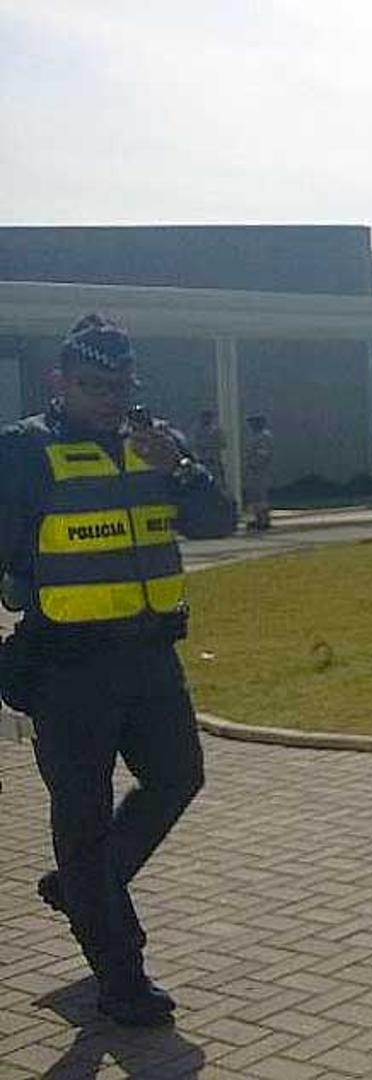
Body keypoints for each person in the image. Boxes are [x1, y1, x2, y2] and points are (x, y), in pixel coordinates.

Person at [0, 314, 236, 1027]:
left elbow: (218, 521)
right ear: (59, 383)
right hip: (67, 668)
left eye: (120, 385)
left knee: (178, 777)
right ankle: (121, 973)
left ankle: (84, 890)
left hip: (151, 658)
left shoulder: (157, 444)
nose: (108, 398)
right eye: (93, 385)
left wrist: (182, 468)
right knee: (82, 820)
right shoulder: (21, 452)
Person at [241, 414, 272, 531]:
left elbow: (263, 454)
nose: (251, 425)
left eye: (254, 422)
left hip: (259, 470)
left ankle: (264, 520)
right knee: (253, 496)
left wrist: (255, 464)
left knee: (260, 496)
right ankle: (257, 518)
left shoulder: (264, 436)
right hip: (252, 470)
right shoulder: (254, 436)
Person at [189, 409, 225, 493]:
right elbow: (192, 444)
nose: (206, 419)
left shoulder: (216, 430)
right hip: (201, 460)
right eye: (204, 417)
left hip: (213, 460)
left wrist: (212, 445)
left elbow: (223, 444)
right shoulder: (196, 430)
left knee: (217, 482)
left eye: (209, 417)